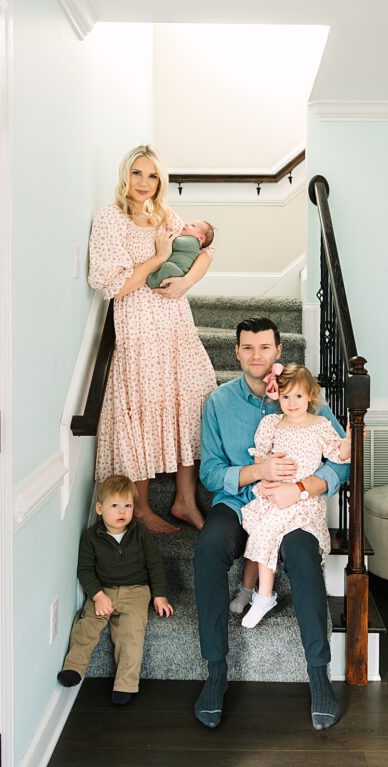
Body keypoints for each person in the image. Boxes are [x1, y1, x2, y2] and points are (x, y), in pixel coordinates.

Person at [195, 317, 350, 730]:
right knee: (209, 549)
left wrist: (300, 488)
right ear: (237, 352)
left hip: (293, 504)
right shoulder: (218, 403)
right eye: (248, 348)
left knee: (301, 552)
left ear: (279, 351)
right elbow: (210, 473)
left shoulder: (304, 395)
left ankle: (319, 675)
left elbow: (341, 462)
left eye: (265, 347)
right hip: (238, 502)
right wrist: (258, 470)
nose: (257, 355)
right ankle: (215, 671)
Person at [88, 144, 217, 533]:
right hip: (139, 329)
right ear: (125, 174)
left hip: (175, 324)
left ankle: (184, 500)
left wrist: (186, 284)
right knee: (143, 414)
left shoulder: (166, 215)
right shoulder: (110, 219)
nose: (144, 183)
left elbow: (206, 253)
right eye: (138, 173)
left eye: (153, 176)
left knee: (193, 402)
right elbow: (114, 285)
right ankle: (142, 508)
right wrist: (158, 259)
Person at [238, 364, 351, 629]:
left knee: (266, 531)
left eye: (298, 396)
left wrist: (350, 441)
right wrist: (265, 478)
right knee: (261, 528)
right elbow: (260, 455)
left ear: (310, 395)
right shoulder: (272, 423)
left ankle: (263, 595)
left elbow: (338, 455)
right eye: (286, 396)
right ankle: (249, 590)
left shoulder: (320, 425)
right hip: (273, 491)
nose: (292, 402)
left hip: (302, 498)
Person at [56, 475, 174, 704]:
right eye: (115, 506)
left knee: (131, 634)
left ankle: (125, 684)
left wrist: (160, 594)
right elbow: (86, 570)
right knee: (86, 625)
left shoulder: (140, 533)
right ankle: (74, 667)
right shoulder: (91, 537)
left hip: (136, 591)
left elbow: (155, 564)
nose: (122, 511)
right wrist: (98, 596)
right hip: (104, 591)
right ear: (100, 508)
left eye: (128, 506)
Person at [145, 219, 215, 289]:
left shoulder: (193, 242)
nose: (187, 224)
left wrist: (166, 232)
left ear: (201, 238)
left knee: (168, 266)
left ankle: (154, 282)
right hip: (177, 270)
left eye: (193, 226)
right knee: (166, 266)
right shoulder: (188, 240)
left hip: (179, 272)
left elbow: (174, 242)